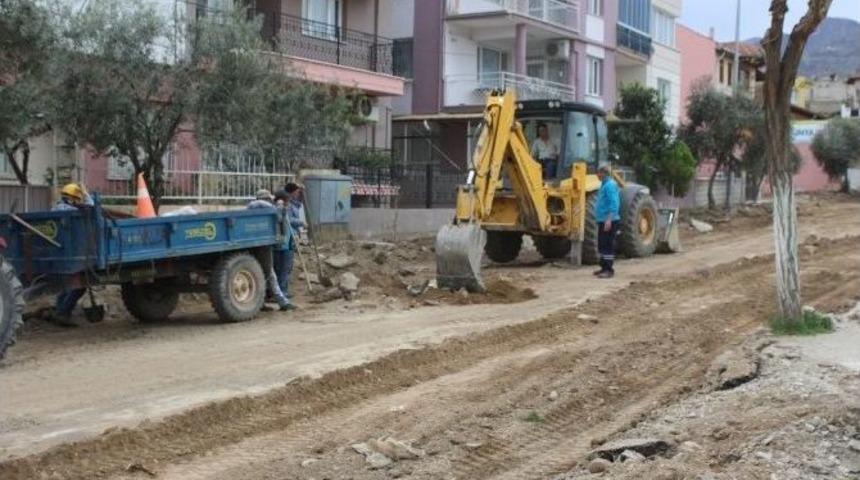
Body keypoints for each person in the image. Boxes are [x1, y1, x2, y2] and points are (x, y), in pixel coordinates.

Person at [52, 183, 94, 326]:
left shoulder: (54, 208)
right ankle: (63, 312)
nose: (78, 202)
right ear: (71, 198)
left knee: (65, 285)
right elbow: (91, 207)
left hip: (59, 255)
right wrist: (86, 193)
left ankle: (59, 310)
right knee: (79, 287)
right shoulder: (70, 210)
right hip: (73, 255)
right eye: (77, 199)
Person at [247, 189, 295, 311]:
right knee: (270, 273)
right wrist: (280, 207)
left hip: (251, 244)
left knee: (258, 274)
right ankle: (282, 301)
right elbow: (279, 221)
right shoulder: (269, 209)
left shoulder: (249, 209)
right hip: (266, 245)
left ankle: (260, 302)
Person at [594, 163, 621, 279]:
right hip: (603, 220)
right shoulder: (604, 185)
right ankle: (603, 267)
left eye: (599, 173)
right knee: (602, 245)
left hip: (609, 221)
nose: (597, 175)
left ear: (604, 173)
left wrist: (609, 220)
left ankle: (609, 270)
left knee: (607, 245)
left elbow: (614, 204)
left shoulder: (609, 185)